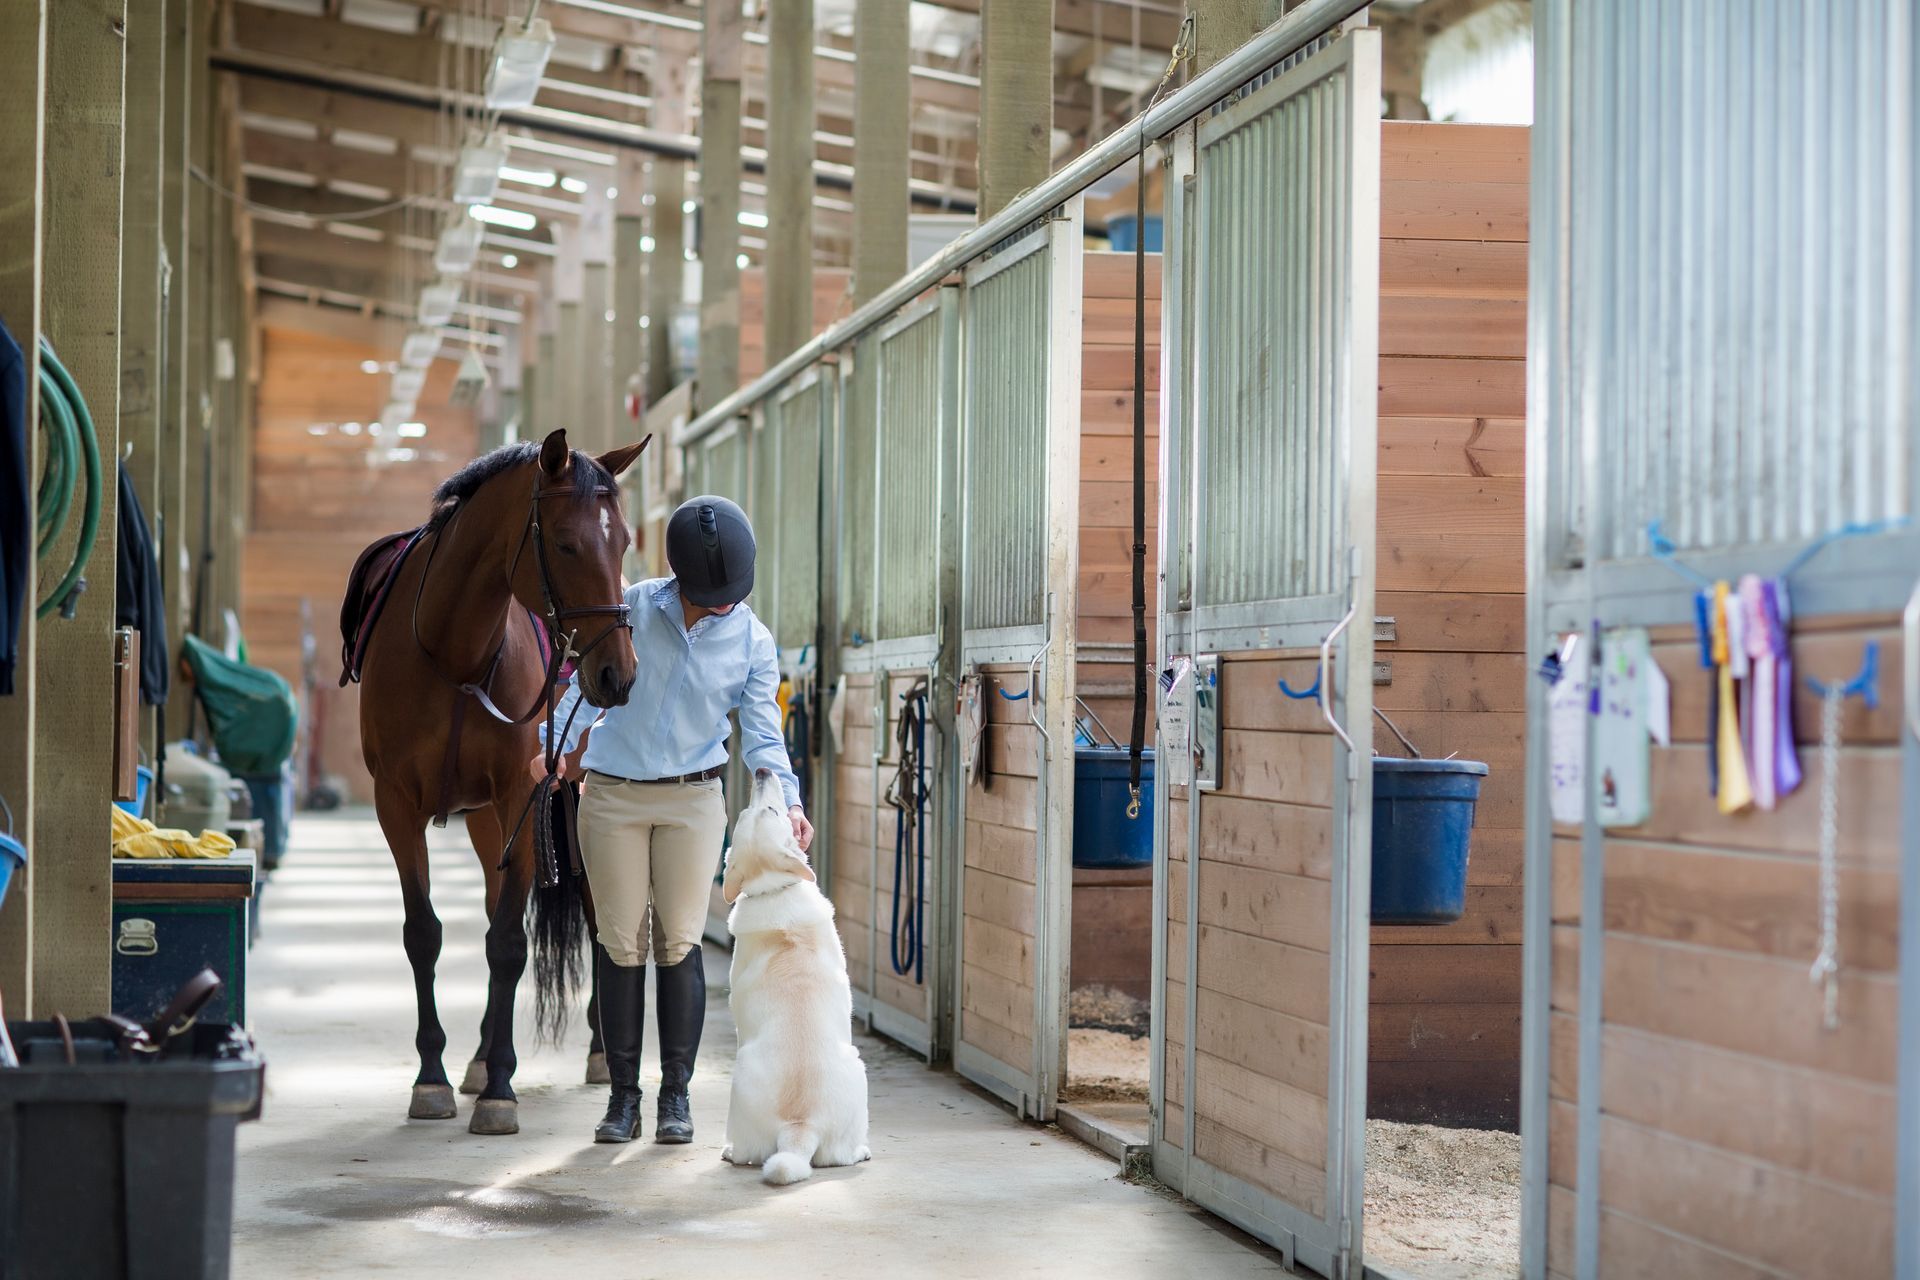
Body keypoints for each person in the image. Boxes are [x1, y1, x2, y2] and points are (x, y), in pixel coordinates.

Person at [535, 494, 809, 1146]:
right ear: (678, 575)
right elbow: (579, 687)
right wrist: (548, 747)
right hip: (614, 795)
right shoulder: (629, 605)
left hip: (692, 800)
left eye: (731, 594)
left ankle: (676, 1099)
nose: (724, 605)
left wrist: (790, 802)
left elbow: (765, 741)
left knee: (681, 942)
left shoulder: (753, 640)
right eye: (711, 594)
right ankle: (623, 1101)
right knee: (621, 941)